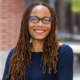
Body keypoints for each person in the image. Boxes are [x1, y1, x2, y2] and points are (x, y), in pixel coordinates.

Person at [2, 2, 73, 80]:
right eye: (34, 19)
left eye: (46, 20)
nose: (40, 24)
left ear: (52, 24)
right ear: (26, 23)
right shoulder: (15, 54)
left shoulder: (63, 52)